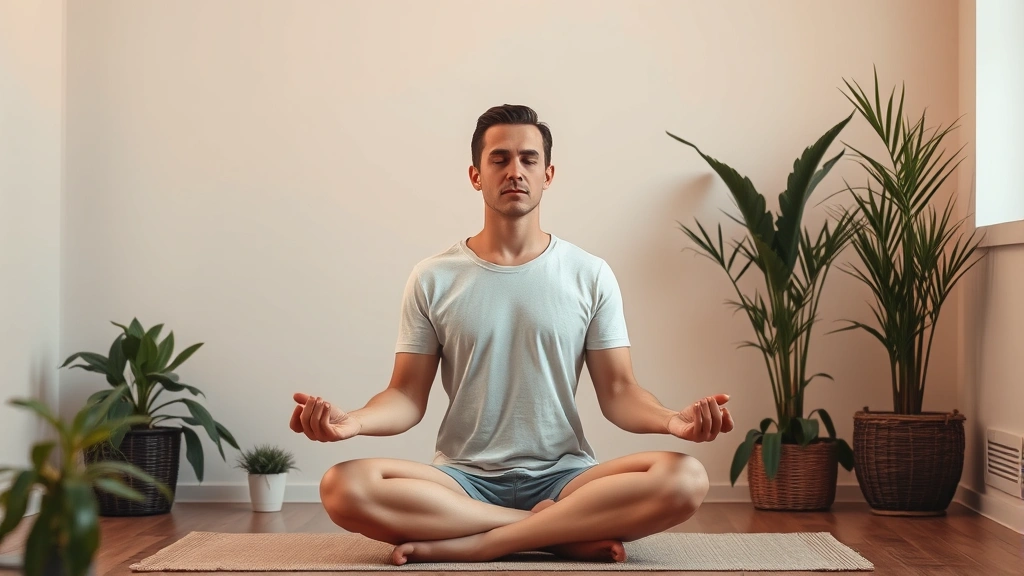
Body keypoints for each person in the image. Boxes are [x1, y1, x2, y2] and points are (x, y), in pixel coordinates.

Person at [289, 104, 734, 566]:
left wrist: (672, 421)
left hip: (567, 479)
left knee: (686, 478)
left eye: (528, 159)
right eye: (499, 159)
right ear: (476, 175)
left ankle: (482, 541)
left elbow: (619, 391)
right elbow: (405, 394)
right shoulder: (432, 277)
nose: (515, 171)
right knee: (342, 487)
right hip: (462, 480)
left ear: (548, 174)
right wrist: (353, 422)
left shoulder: (590, 274)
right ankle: (555, 533)